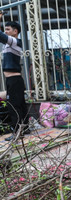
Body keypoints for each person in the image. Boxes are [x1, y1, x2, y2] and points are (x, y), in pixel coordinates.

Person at [0, 13, 29, 141]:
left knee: (14, 106)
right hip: (12, 80)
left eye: (8, 29)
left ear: (15, 31)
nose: (5, 31)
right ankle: (25, 128)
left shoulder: (15, 42)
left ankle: (17, 132)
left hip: (14, 80)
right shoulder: (8, 44)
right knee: (20, 104)